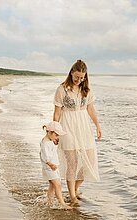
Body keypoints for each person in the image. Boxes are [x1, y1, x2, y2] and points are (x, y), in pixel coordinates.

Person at [53, 59, 101, 205]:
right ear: (71, 73)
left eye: (82, 77)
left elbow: (91, 109)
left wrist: (98, 126)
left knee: (89, 161)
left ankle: (74, 188)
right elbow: (57, 113)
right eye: (77, 77)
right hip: (67, 127)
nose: (79, 80)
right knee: (72, 163)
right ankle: (73, 196)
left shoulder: (86, 90)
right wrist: (55, 131)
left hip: (83, 128)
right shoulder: (62, 89)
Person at [40, 121, 72, 210]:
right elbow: (45, 156)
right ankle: (62, 203)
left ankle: (49, 202)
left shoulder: (49, 140)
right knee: (57, 185)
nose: (57, 137)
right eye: (56, 135)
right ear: (50, 132)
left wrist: (54, 141)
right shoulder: (45, 143)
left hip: (52, 167)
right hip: (50, 167)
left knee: (52, 185)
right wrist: (50, 164)